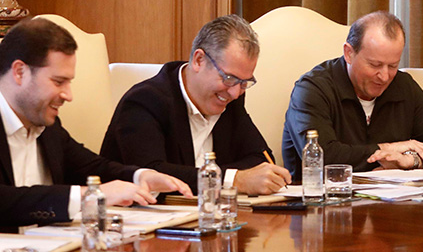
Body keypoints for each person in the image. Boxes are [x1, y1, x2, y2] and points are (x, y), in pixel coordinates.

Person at [0, 17, 190, 229]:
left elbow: (90, 167)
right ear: (20, 72)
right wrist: (90, 196)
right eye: (58, 82)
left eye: (69, 82)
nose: (68, 95)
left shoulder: (47, 124)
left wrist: (140, 176)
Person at [101, 15, 290, 195]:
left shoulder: (231, 98)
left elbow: (260, 160)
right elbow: (153, 174)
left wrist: (237, 177)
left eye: (244, 82)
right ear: (199, 60)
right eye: (229, 78)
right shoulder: (144, 101)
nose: (235, 93)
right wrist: (233, 180)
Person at [282, 11, 423, 175]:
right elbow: (322, 157)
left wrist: (410, 160)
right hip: (321, 194)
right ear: (349, 53)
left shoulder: (403, 86)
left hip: (390, 194)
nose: (384, 76)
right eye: (374, 65)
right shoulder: (312, 89)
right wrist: (389, 148)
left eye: (393, 66)